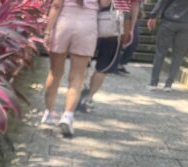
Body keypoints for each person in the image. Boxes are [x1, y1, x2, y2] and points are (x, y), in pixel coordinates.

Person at [42, 0, 110, 137]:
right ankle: (67, 116)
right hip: (87, 26)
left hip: (63, 23)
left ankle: (48, 114)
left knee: (55, 73)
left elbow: (56, 5)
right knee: (77, 76)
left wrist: (48, 32)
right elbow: (105, 3)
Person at [78, 0, 141, 112]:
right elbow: (135, 4)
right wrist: (131, 29)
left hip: (93, 16)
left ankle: (78, 90)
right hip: (118, 21)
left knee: (83, 59)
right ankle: (88, 98)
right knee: (104, 65)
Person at [147, 0, 188, 91]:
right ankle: (168, 84)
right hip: (187, 24)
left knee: (160, 53)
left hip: (169, 21)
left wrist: (153, 15)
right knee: (178, 55)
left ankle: (153, 83)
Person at [117, 1, 144, 73]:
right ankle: (114, 63)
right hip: (118, 13)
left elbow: (136, 4)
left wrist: (132, 28)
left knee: (134, 40)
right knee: (118, 40)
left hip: (131, 15)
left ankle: (121, 63)